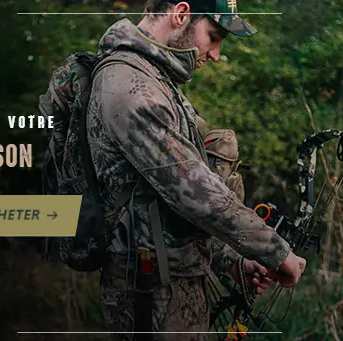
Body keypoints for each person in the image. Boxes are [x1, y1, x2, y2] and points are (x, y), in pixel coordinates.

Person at [85, 0, 307, 339]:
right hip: (150, 293)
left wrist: (234, 260)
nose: (215, 54)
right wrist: (276, 251)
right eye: (214, 36)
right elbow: (195, 193)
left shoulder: (155, 80)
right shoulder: (131, 86)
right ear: (180, 14)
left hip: (172, 282)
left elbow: (166, 205)